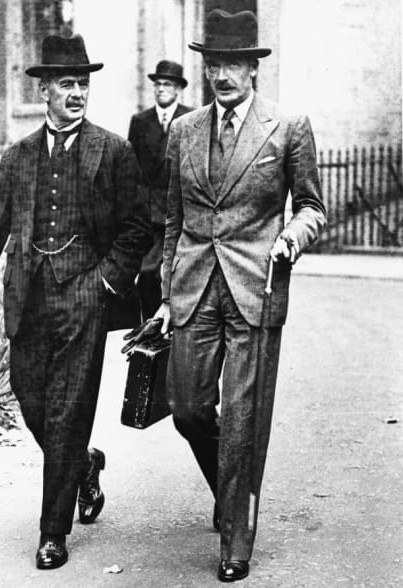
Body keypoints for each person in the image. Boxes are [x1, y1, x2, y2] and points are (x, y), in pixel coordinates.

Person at [0, 34, 152, 570]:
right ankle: (85, 465)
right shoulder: (17, 157)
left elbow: (139, 227)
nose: (77, 94)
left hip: (83, 299)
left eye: (83, 84)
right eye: (67, 84)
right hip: (29, 299)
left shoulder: (112, 150)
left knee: (68, 413)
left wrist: (105, 282)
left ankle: (52, 532)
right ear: (44, 91)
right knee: (29, 396)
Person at [155, 9, 326, 583]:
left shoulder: (288, 126)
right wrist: (165, 292)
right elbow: (172, 220)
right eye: (213, 65)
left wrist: (291, 237)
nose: (222, 75)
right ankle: (232, 491)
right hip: (194, 287)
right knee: (189, 410)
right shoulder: (183, 130)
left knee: (246, 417)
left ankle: (236, 535)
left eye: (233, 64)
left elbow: (312, 207)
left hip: (255, 285)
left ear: (254, 70)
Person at [128, 60, 192, 318]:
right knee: (147, 275)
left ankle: (174, 335)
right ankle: (149, 331)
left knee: (180, 276)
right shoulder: (140, 121)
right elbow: (132, 169)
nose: (161, 89)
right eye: (157, 85)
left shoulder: (191, 118)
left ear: (178, 89)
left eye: (167, 84)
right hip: (151, 215)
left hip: (183, 212)